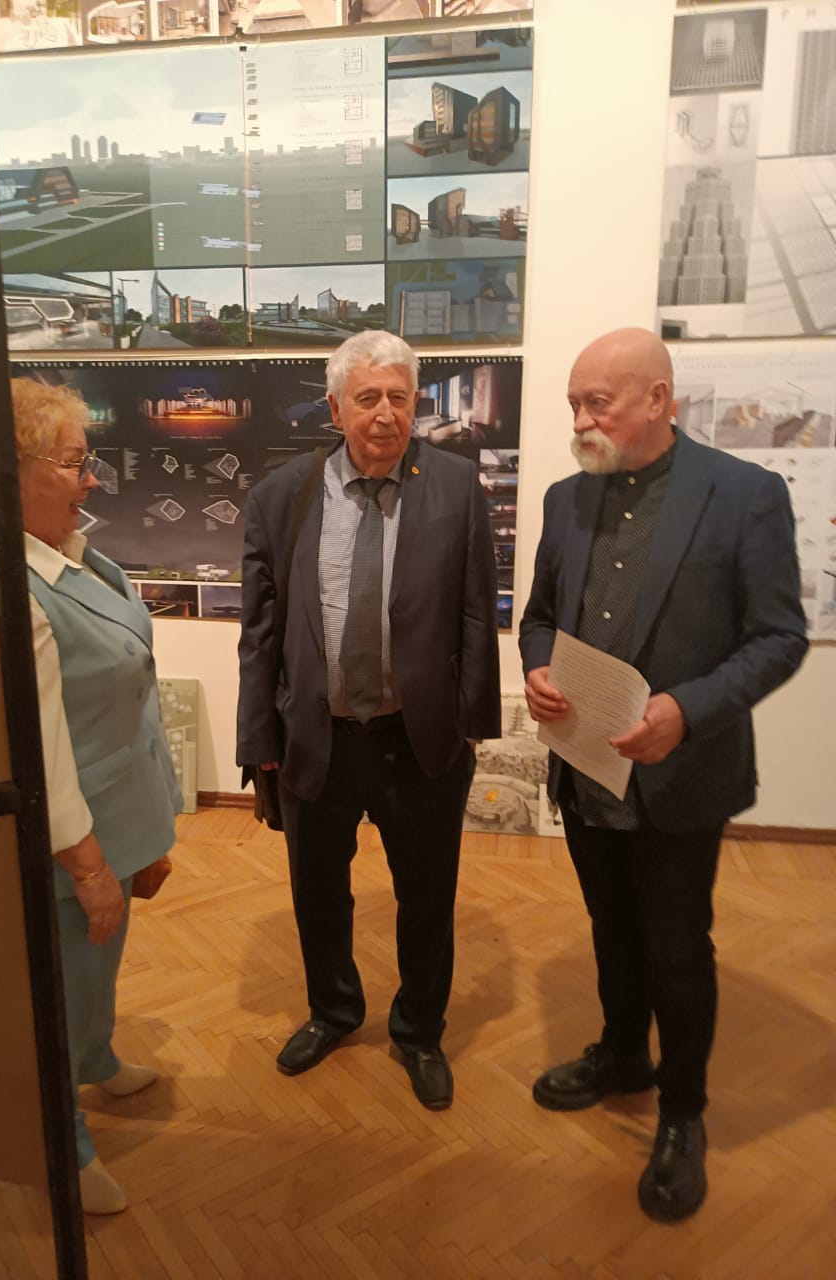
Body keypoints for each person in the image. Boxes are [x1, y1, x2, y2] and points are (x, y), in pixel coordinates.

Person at [519, 327, 807, 1222]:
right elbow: (538, 618)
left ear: (657, 399)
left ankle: (683, 1112)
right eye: (574, 404)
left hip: (682, 773)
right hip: (586, 767)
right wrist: (536, 666)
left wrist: (687, 709)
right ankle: (622, 1055)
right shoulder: (566, 498)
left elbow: (779, 637)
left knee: (678, 948)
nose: (580, 420)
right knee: (611, 925)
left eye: (597, 403)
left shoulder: (745, 495)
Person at [237, 331, 500, 1110]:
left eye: (399, 397)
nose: (385, 414)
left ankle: (418, 1031)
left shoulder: (456, 488)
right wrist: (259, 740)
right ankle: (333, 1011)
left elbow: (477, 613)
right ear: (335, 407)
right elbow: (260, 634)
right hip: (317, 735)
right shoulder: (281, 497)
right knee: (318, 892)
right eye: (368, 398)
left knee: (427, 896)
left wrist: (471, 728)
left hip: (418, 740)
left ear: (416, 403)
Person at [0, 379, 182, 1214]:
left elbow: (131, 695)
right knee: (61, 992)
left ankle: (98, 1059)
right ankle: (62, 1142)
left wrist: (149, 833)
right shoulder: (5, 591)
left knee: (97, 971)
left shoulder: (74, 556)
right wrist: (88, 866)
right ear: (12, 475)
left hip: (121, 817)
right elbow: (36, 750)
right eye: (74, 464)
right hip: (71, 843)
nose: (91, 479)